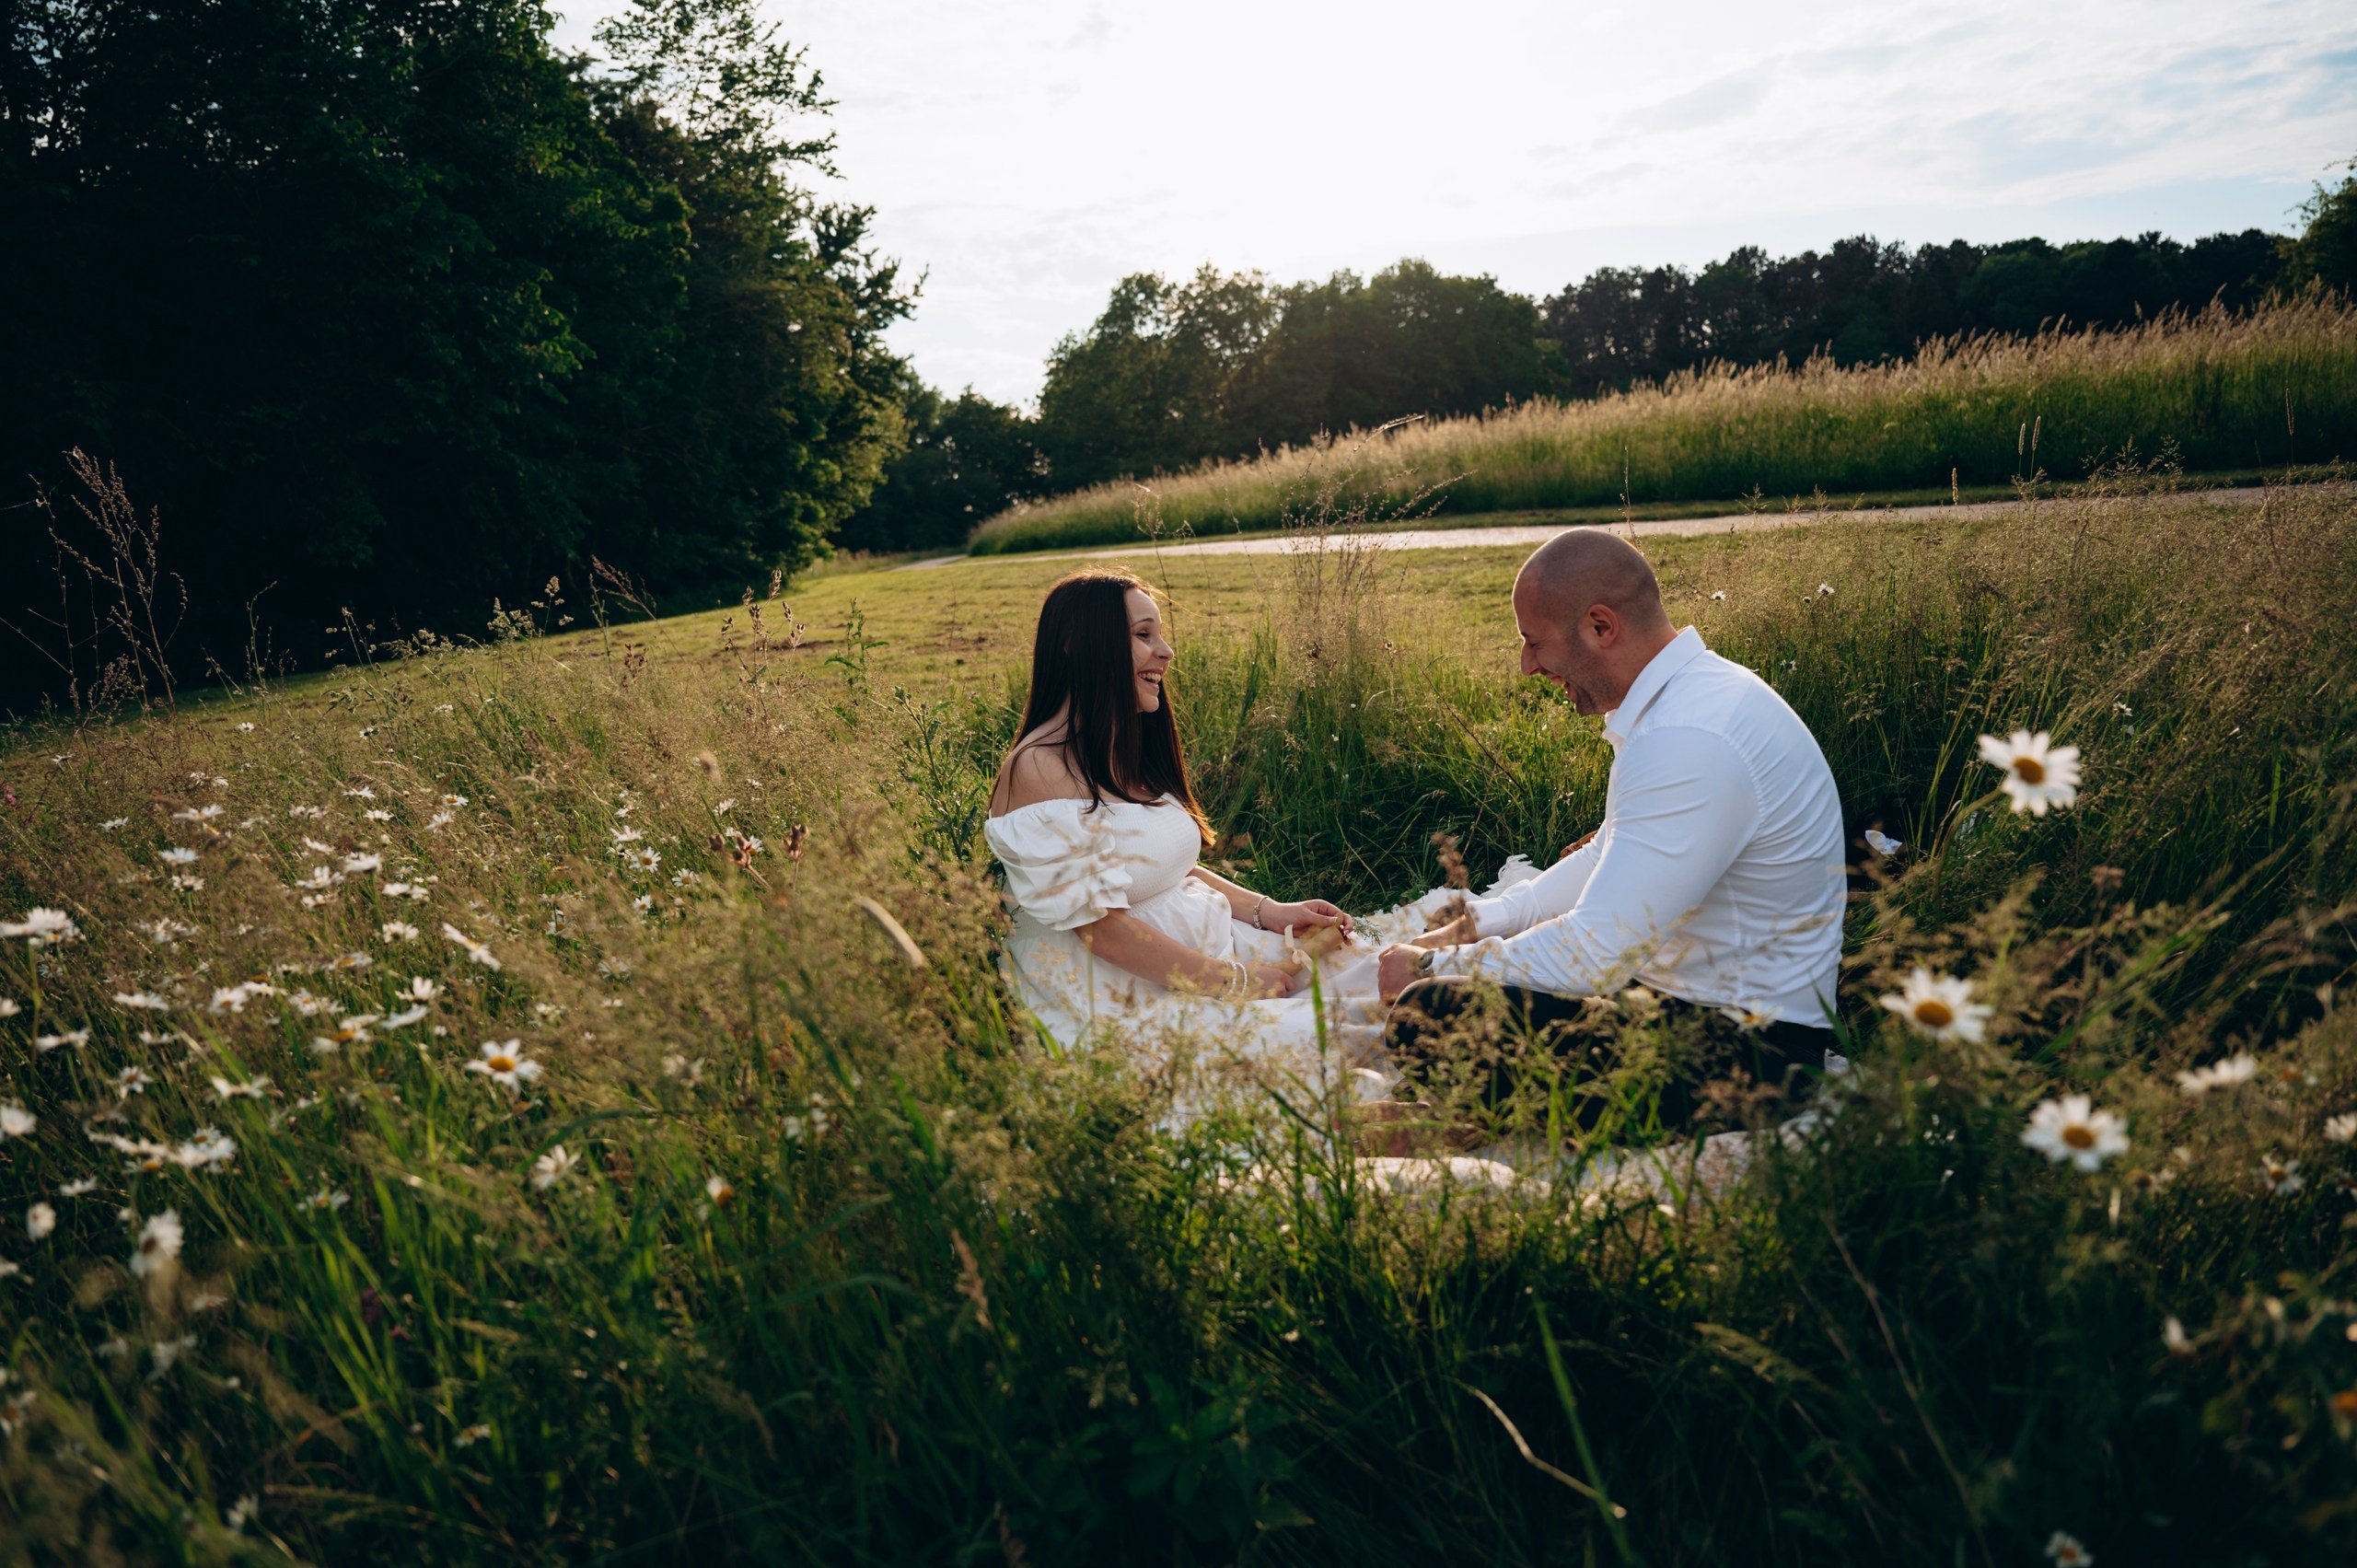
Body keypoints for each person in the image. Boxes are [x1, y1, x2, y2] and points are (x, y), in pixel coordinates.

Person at [1375, 528, 1847, 1133]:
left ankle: (1467, 1119)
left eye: (1534, 642)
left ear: (1600, 626)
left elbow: (1594, 953)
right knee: (1477, 996)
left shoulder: (1689, 738)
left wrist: (1434, 968)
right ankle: (1479, 1109)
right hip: (1694, 1013)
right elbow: (1609, 849)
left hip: (1749, 1059)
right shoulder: (1691, 700)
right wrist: (1485, 921)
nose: (1527, 665)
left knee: (1428, 1014)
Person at [983, 568, 1397, 1119]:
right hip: (1124, 994)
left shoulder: (1118, 746)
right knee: (1342, 1039)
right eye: (1143, 635)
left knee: (1373, 975)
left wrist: (1270, 912)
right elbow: (1100, 929)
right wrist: (1236, 983)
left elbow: (1165, 869)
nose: (1166, 651)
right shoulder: (1039, 769)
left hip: (1202, 955)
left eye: (1160, 634)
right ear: (1080, 645)